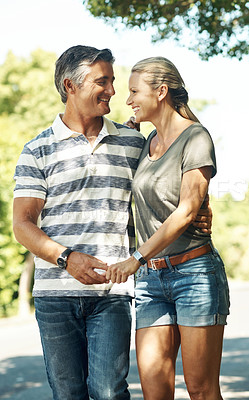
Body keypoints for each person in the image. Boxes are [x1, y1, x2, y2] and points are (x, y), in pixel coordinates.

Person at [12, 46, 212, 400]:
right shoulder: (36, 150)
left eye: (114, 82)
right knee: (68, 393)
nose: (113, 91)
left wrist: (201, 207)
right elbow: (23, 224)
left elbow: (169, 179)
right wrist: (66, 257)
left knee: (108, 392)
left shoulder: (134, 142)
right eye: (102, 82)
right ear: (70, 85)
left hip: (113, 293)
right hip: (55, 294)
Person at [106, 57, 230, 400]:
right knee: (154, 391)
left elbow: (188, 209)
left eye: (134, 91)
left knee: (201, 389)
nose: (128, 100)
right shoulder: (143, 141)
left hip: (194, 274)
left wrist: (136, 256)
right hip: (151, 282)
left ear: (161, 92)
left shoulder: (196, 138)